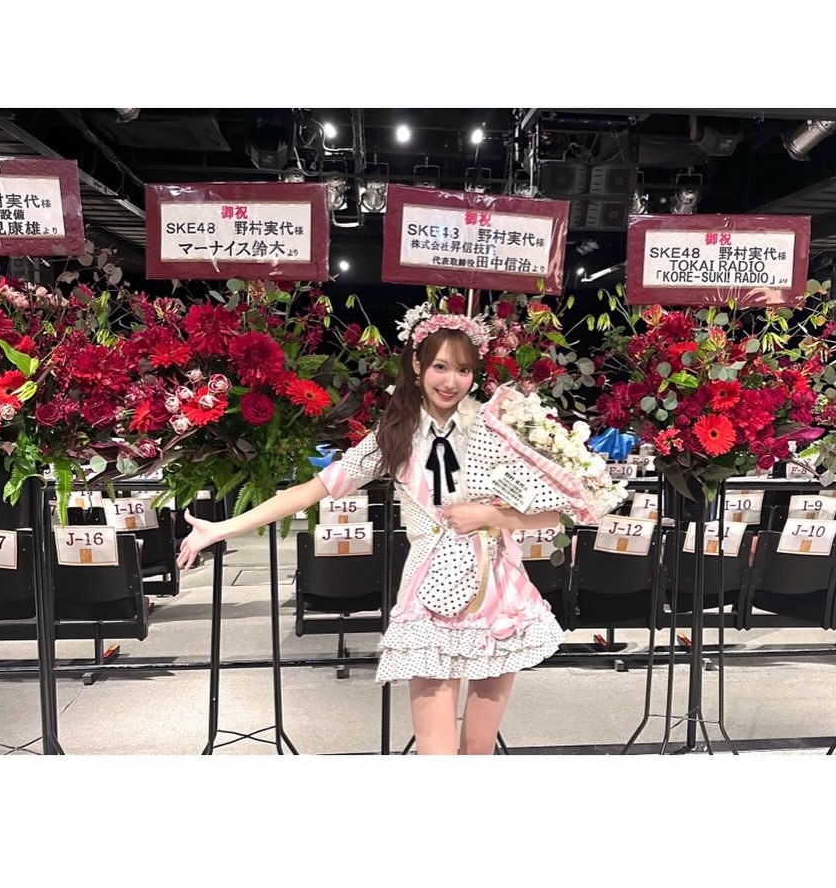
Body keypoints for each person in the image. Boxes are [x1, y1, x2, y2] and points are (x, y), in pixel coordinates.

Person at [177, 308, 565, 755]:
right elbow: (311, 491)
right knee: (436, 753)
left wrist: (489, 517)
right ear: (417, 365)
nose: (451, 381)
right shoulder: (394, 436)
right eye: (440, 366)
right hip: (430, 595)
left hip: (498, 592)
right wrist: (221, 527)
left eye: (463, 370)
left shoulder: (495, 432)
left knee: (479, 749)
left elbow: (550, 516)